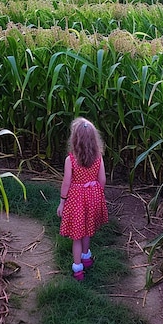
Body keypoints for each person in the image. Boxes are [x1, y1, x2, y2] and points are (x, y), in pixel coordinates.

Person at [57, 117, 108, 281]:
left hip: (76, 200)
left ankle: (78, 268)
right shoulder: (98, 158)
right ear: (94, 139)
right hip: (92, 198)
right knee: (87, 230)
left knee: (76, 236)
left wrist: (62, 202)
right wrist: (96, 194)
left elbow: (66, 183)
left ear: (74, 140)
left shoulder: (70, 160)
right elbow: (103, 180)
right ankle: (86, 258)